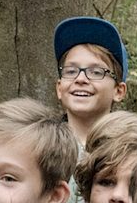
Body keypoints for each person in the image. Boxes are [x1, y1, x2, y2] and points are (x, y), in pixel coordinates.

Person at [53, 16, 129, 146]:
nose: (80, 79)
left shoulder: (133, 152)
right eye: (71, 71)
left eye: (96, 72)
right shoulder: (38, 147)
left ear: (118, 91)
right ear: (59, 88)